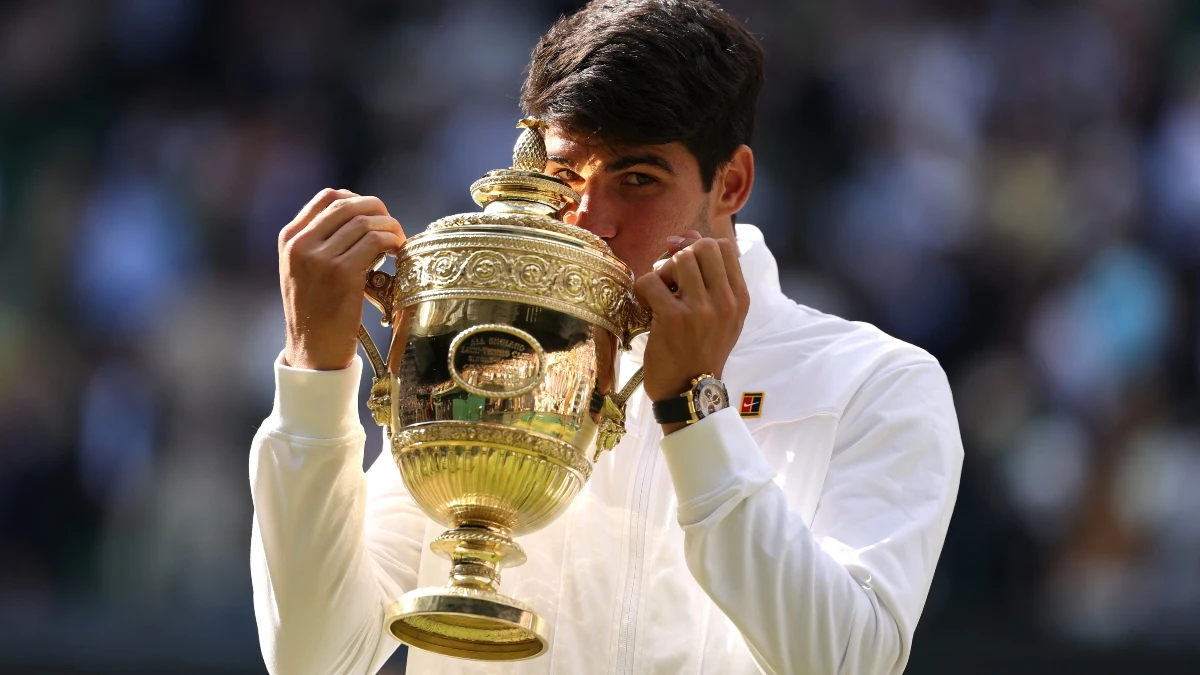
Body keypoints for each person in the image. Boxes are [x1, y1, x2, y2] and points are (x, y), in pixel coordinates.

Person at [249, 1, 964, 673]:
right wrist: (315, 376)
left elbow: (847, 659)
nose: (592, 218)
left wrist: (695, 411)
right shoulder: (487, 351)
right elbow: (316, 656)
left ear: (732, 182)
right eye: (565, 176)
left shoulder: (877, 382)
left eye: (639, 178)